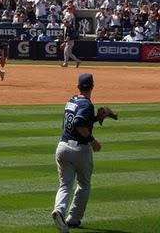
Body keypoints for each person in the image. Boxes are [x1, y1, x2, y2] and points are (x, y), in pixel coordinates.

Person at [52, 73, 101, 233]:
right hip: (79, 149)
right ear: (92, 86)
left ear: (78, 86)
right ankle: (73, 219)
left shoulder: (71, 100)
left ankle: (59, 210)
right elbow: (79, 123)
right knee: (83, 184)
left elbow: (77, 121)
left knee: (65, 184)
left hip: (62, 147)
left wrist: (96, 118)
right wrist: (92, 140)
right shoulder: (87, 104)